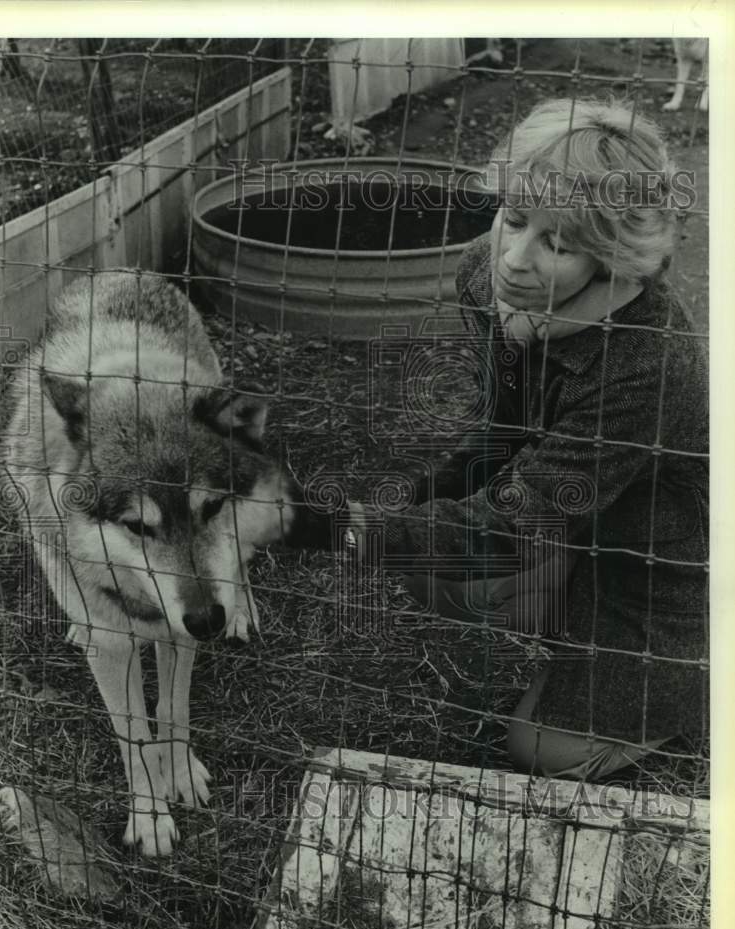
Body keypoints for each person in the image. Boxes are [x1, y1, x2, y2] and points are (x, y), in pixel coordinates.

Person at [289, 98, 708, 782]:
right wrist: (414, 503)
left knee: (540, 751)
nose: (513, 258)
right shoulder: (486, 280)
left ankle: (684, 680)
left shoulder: (649, 363)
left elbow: (508, 529)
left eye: (559, 243)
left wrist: (332, 525)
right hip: (570, 511)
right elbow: (501, 427)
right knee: (430, 563)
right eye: (513, 220)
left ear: (610, 258)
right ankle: (566, 618)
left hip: (655, 557)